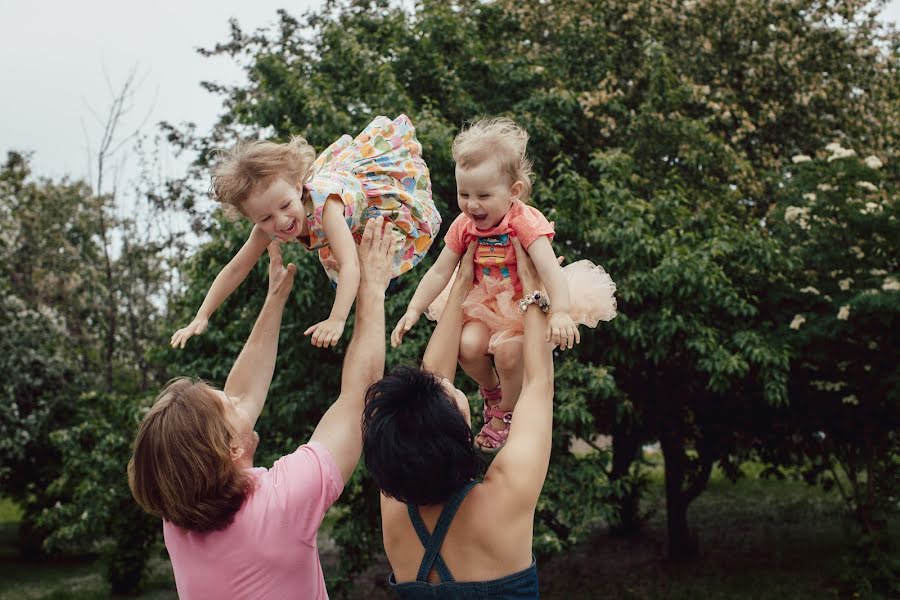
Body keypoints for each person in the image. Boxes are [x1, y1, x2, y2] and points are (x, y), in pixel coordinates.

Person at [129, 218, 395, 599]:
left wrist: (275, 299)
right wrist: (372, 287)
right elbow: (359, 397)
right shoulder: (284, 502)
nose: (237, 398)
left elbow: (243, 399)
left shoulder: (178, 517)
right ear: (231, 449)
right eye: (229, 404)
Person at [391, 117, 616, 451]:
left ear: (514, 192)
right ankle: (492, 392)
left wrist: (562, 311)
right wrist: (414, 308)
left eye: (483, 194)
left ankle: (505, 413)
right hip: (485, 300)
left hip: (525, 302)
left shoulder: (524, 221)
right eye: (463, 193)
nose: (471, 204)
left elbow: (549, 270)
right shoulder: (464, 225)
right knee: (467, 347)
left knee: (510, 355)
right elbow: (440, 271)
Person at [363, 236, 554, 597]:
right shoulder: (505, 496)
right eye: (448, 395)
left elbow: (431, 381)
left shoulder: (395, 511)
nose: (446, 384)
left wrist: (464, 279)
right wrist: (532, 287)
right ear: (456, 434)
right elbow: (537, 384)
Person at [171, 114, 441, 350]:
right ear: (252, 218)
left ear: (298, 188)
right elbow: (235, 269)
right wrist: (202, 315)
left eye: (286, 205)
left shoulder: (328, 208)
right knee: (354, 278)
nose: (281, 221)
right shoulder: (267, 224)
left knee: (363, 272)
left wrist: (337, 319)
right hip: (338, 223)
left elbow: (349, 266)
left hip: (363, 202)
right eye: (265, 218)